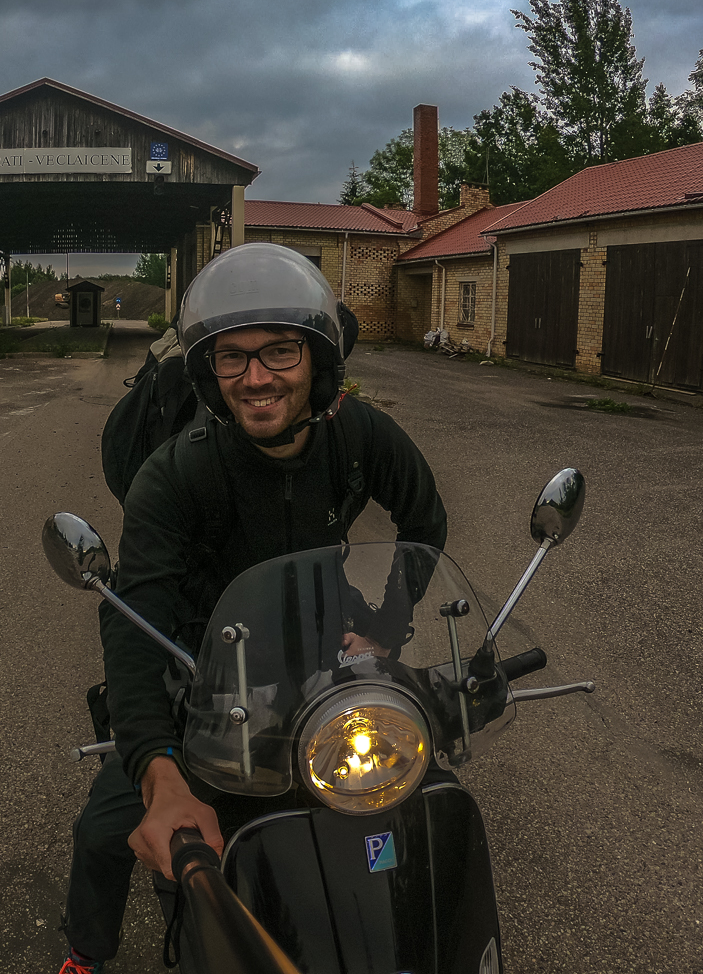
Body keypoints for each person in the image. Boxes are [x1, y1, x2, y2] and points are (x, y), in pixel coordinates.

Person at [58, 244, 447, 974]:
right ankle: (87, 950)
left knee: (410, 787)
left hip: (324, 660)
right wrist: (158, 774)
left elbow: (424, 521)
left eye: (279, 351)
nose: (256, 377)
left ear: (319, 359)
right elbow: (132, 618)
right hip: (201, 670)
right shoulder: (174, 474)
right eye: (231, 358)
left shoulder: (361, 435)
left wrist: (389, 627)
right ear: (208, 371)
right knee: (108, 827)